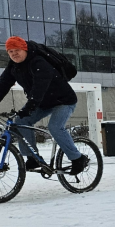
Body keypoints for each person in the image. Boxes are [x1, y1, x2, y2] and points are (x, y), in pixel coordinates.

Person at [0, 36, 87, 175]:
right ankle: (33, 157)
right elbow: (3, 84)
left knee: (55, 127)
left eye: (17, 50)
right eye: (10, 51)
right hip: (43, 103)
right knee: (21, 121)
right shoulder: (13, 66)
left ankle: (78, 158)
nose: (14, 54)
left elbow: (40, 86)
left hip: (63, 100)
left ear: (25, 49)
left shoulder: (38, 62)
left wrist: (30, 105)